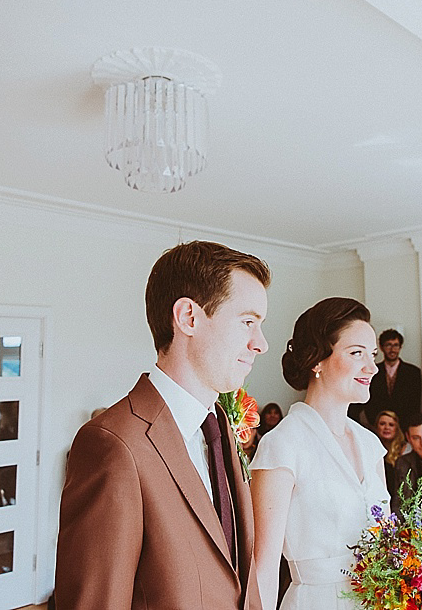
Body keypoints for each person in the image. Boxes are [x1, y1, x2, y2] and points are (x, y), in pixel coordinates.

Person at [55, 240, 270, 610]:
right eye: (248, 322)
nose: (261, 344)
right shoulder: (112, 444)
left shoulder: (219, 429)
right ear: (188, 317)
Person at [251, 297, 387, 610]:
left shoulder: (370, 445)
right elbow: (264, 566)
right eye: (357, 353)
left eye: (373, 355)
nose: (372, 367)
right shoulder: (282, 445)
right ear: (317, 360)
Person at [351, 328, 422, 427]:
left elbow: (415, 406)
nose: (392, 349)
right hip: (377, 427)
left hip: (404, 427)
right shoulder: (371, 371)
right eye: (388, 345)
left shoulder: (413, 373)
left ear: (400, 347)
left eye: (396, 345)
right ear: (381, 347)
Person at [376, 410, 409, 496]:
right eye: (382, 424)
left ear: (397, 428)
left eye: (391, 425)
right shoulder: (372, 447)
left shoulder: (406, 448)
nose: (386, 427)